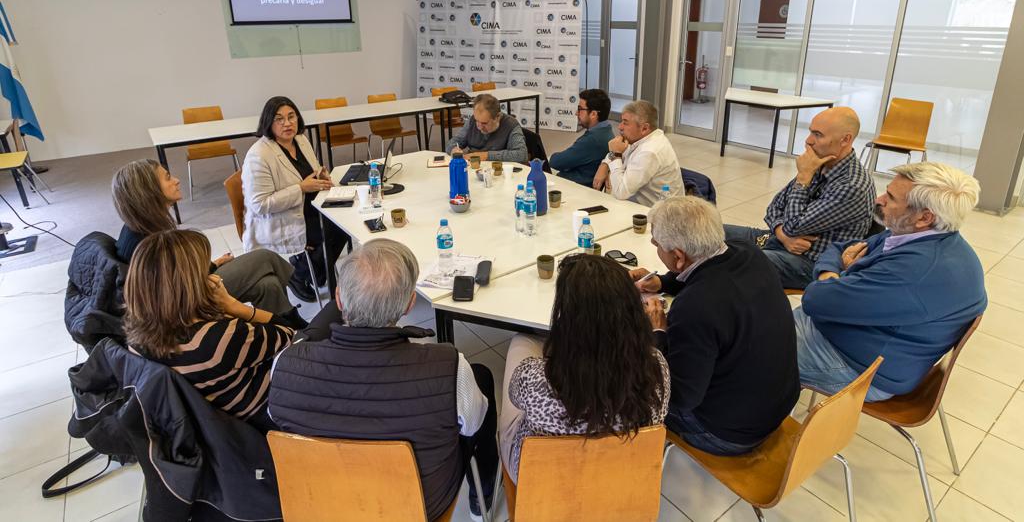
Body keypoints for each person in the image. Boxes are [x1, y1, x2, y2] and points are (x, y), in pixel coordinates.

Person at [269, 239, 499, 522]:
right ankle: (483, 498)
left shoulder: (285, 365)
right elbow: (472, 426)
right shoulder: (450, 367)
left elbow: (277, 416)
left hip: (320, 501)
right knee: (481, 379)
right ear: (410, 304)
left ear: (339, 299)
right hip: (420, 506)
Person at [795, 162, 988, 402]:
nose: (879, 199)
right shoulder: (915, 234)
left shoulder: (919, 271)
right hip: (854, 338)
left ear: (924, 217)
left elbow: (815, 300)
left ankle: (746, 431)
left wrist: (829, 277)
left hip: (859, 368)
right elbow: (840, 249)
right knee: (752, 324)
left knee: (746, 348)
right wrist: (837, 277)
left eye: (891, 198)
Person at [632, 195, 799, 455]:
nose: (655, 247)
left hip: (727, 434)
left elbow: (678, 397)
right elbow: (708, 274)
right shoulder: (748, 253)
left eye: (656, 244)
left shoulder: (695, 307)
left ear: (678, 256)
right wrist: (664, 283)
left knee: (626, 379)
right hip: (776, 406)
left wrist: (658, 333)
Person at [499, 254, 669, 484]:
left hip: (541, 483)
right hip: (622, 482)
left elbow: (515, 397)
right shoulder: (657, 367)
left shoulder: (536, 379)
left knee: (522, 340)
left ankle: (486, 488)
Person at [123, 229, 293, 430]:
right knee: (327, 321)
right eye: (205, 271)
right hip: (268, 411)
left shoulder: (136, 337)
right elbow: (289, 333)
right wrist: (234, 306)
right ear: (191, 285)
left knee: (267, 285)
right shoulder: (221, 337)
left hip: (218, 416)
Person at [111, 159, 299, 318]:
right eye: (168, 178)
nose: (176, 180)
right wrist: (211, 270)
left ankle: (285, 332)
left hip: (189, 289)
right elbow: (175, 290)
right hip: (186, 304)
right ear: (148, 191)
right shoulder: (146, 241)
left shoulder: (142, 226)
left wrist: (213, 265)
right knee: (264, 257)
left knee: (268, 285)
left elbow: (177, 273)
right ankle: (298, 281)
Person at [723, 107, 874, 289]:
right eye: (810, 132)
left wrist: (803, 178)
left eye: (818, 135)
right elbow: (774, 207)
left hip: (809, 263)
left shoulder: (852, 186)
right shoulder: (820, 162)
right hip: (780, 242)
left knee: (732, 260)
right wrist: (782, 234)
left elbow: (794, 226)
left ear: (846, 140)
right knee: (709, 230)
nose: (808, 141)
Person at [241, 96, 347, 302]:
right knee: (334, 228)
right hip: (282, 217)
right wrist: (300, 188)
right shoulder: (259, 155)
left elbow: (311, 172)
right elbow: (259, 204)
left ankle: (311, 269)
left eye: (291, 117)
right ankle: (298, 272)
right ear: (268, 123)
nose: (287, 123)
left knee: (345, 222)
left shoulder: (301, 140)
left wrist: (320, 176)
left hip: (312, 206)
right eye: (279, 119)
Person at [593, 99, 682, 206]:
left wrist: (615, 154)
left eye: (625, 123)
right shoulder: (641, 137)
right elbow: (617, 150)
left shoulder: (650, 151)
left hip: (656, 214)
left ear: (644, 128)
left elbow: (620, 192)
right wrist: (605, 164)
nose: (620, 127)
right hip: (634, 203)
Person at [548, 89, 616, 186]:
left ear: (593, 114)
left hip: (573, 186)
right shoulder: (606, 130)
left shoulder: (593, 140)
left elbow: (556, 162)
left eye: (580, 109)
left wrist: (554, 157)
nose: (576, 113)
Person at [445, 93, 527, 163]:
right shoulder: (472, 120)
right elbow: (454, 142)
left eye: (484, 123)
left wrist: (485, 156)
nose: (479, 127)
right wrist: (454, 150)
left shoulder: (511, 125)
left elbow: (521, 154)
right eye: (477, 121)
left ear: (497, 117)